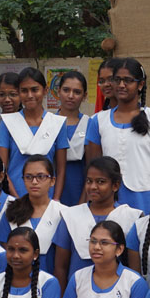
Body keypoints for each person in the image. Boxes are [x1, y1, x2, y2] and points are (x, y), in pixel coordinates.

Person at [85, 57, 150, 212]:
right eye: (117, 80)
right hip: (108, 200)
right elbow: (93, 169)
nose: (121, 85)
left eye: (128, 80)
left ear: (140, 85)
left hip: (147, 198)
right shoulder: (97, 121)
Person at [52, 157, 142, 284]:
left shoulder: (130, 217)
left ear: (115, 185)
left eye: (101, 182)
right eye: (89, 181)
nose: (93, 187)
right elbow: (61, 268)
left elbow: (134, 269)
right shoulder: (70, 216)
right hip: (78, 290)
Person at [0, 67, 68, 201]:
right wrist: (16, 200)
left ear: (45, 90)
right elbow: (2, 168)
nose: (29, 95)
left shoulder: (56, 123)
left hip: (47, 198)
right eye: (24, 91)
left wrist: (55, 200)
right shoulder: (7, 122)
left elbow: (61, 169)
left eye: (34, 90)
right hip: (15, 197)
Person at [0, 156, 63, 273]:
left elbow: (63, 261)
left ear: (52, 181)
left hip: (50, 278)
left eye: (41, 177)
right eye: (29, 177)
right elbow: (6, 252)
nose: (34, 182)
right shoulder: (12, 211)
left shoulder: (62, 213)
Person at [56, 70, 90, 207]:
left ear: (84, 96)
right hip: (51, 193)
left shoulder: (90, 124)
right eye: (66, 90)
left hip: (81, 192)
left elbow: (91, 166)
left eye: (77, 92)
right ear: (58, 91)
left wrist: (83, 201)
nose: (70, 96)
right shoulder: (47, 122)